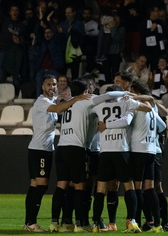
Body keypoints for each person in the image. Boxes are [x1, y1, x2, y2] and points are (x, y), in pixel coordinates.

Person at [50, 79, 134, 233]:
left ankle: (58, 222)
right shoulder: (86, 102)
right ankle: (81, 223)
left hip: (61, 147)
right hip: (77, 148)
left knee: (62, 186)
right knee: (81, 186)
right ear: (85, 92)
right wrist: (127, 93)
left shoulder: (69, 103)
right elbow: (109, 94)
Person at [24, 74, 91, 232]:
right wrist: (76, 98)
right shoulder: (41, 102)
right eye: (48, 84)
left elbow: (58, 105)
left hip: (42, 148)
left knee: (34, 186)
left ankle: (29, 223)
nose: (52, 87)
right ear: (42, 87)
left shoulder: (49, 101)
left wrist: (63, 98)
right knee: (41, 186)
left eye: (54, 84)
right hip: (40, 149)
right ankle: (31, 223)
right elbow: (58, 108)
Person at [91, 84, 152, 233]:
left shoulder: (98, 105)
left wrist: (106, 124)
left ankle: (95, 224)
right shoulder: (127, 102)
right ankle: (131, 220)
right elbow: (148, 108)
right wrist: (132, 97)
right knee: (128, 186)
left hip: (105, 151)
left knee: (100, 188)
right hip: (121, 150)